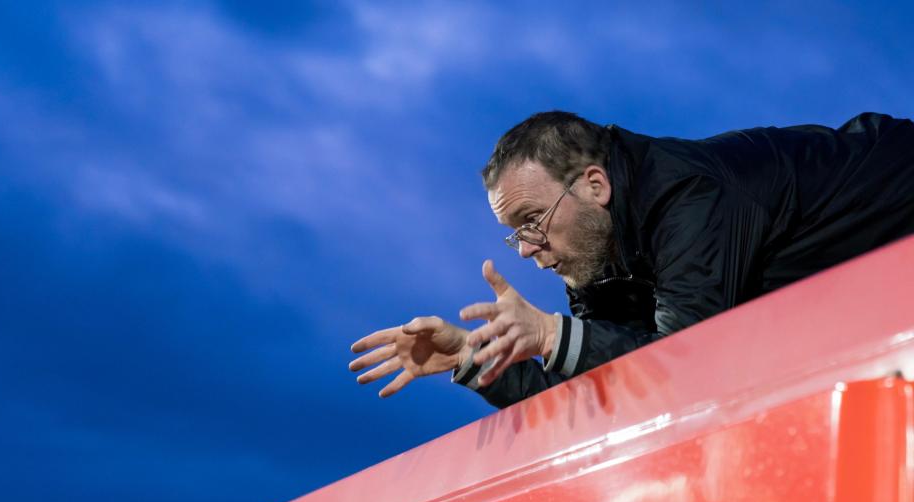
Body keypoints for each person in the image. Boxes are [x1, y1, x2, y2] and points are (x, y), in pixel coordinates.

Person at [350, 111, 914, 409]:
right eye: (513, 234)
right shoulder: (601, 253)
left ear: (594, 184)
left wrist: (551, 334)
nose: (526, 249)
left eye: (532, 221)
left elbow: (685, 365)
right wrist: (473, 359)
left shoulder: (688, 198)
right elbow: (603, 384)